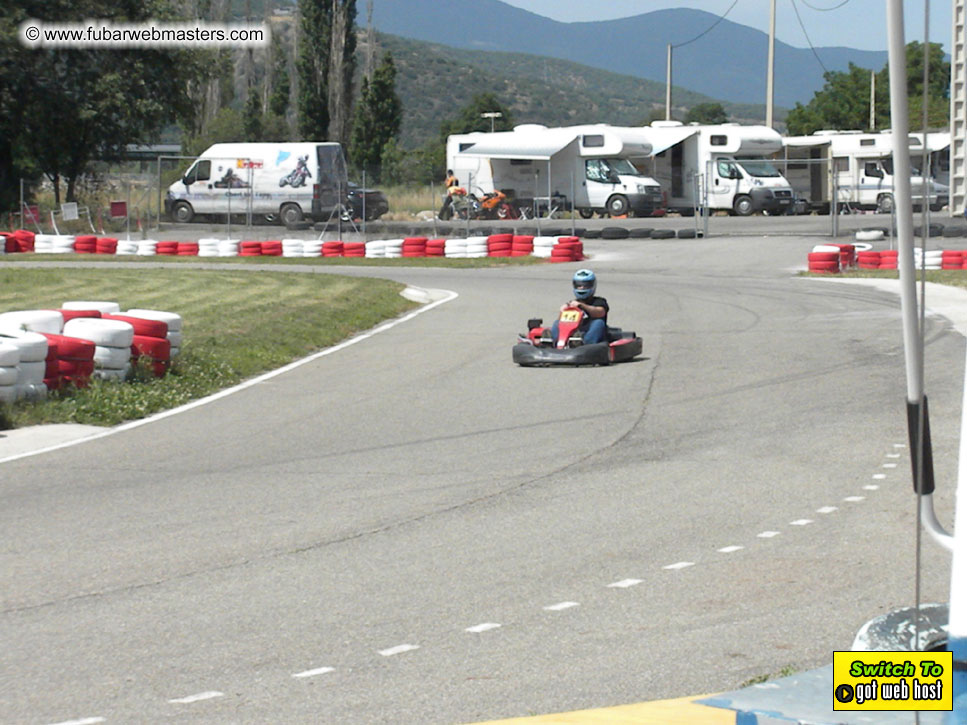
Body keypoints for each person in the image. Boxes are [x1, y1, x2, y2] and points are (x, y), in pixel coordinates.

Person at [551, 269, 609, 344]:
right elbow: (562, 321)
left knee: (598, 323)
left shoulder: (599, 301)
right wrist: (563, 311)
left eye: (585, 285)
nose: (581, 288)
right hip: (574, 332)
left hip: (591, 333)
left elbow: (600, 313)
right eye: (579, 285)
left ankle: (585, 343)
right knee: (557, 323)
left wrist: (582, 306)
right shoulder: (571, 304)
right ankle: (554, 341)